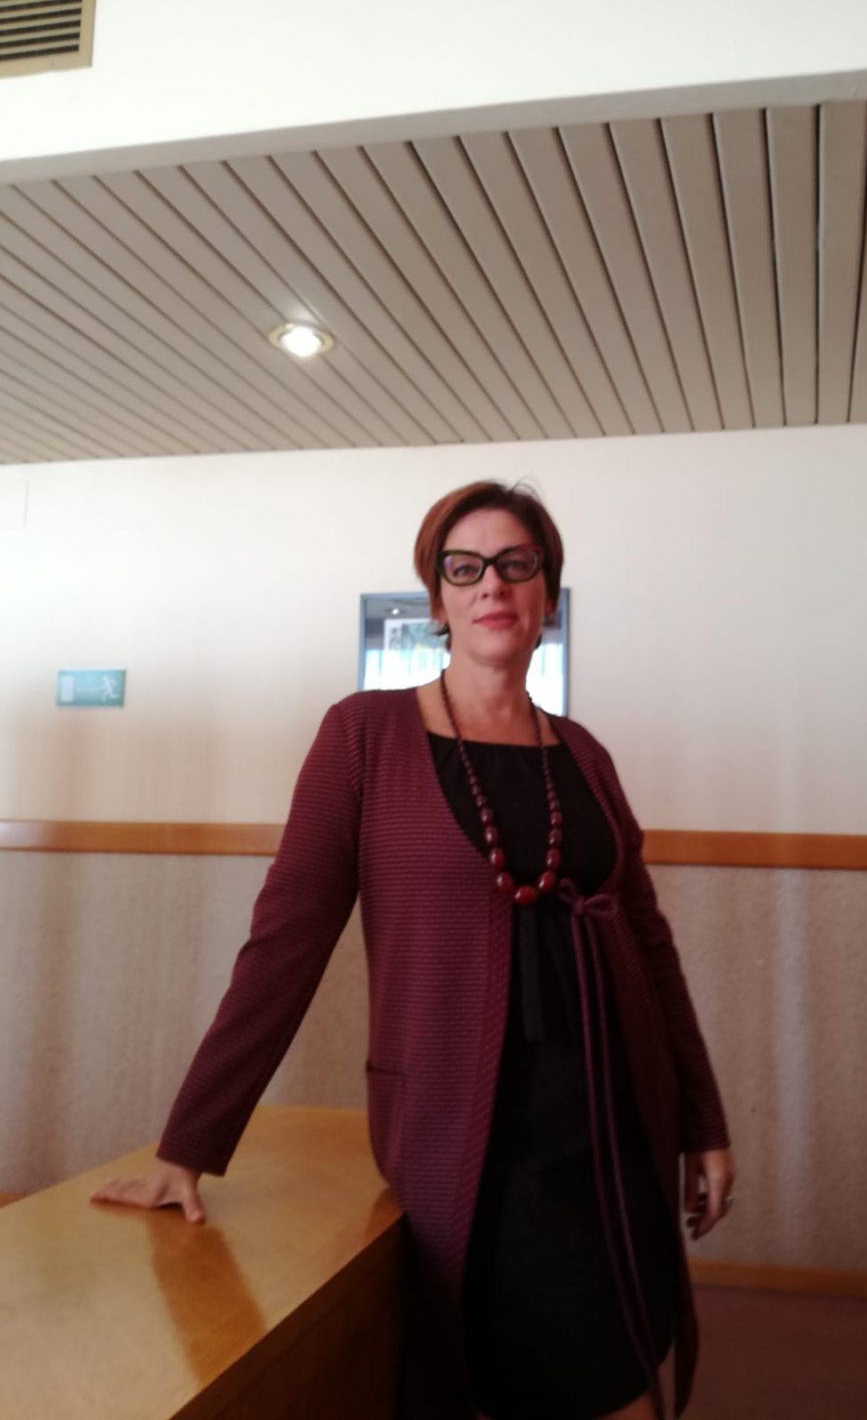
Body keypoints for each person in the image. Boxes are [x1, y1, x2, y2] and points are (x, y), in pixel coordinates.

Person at [92, 481, 735, 1419]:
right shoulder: (362, 735)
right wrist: (190, 1145)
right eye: (464, 568)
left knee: (621, 1377)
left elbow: (651, 946)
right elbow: (284, 945)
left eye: (516, 564)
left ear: (546, 593)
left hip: (614, 1126)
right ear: (436, 599)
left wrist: (702, 1120)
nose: (492, 584)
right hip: (469, 1139)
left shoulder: (586, 754)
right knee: (486, 1377)